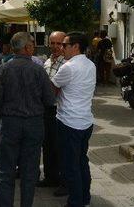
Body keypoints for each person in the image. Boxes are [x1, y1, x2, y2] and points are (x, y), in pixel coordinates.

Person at [0, 32, 56, 207]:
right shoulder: (38, 69)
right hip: (34, 123)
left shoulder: (4, 68)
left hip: (10, 123)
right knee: (30, 171)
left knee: (5, 172)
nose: (33, 47)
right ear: (26, 48)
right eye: (32, 44)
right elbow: (50, 99)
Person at [52, 32, 96, 207]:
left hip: (69, 122)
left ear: (75, 46)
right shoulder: (91, 65)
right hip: (85, 121)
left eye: (64, 45)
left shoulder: (68, 67)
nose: (61, 48)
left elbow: (52, 89)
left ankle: (76, 202)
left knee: (71, 166)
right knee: (81, 161)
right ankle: (85, 197)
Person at [38, 31, 67, 192]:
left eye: (59, 43)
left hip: (59, 109)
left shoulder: (67, 64)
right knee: (47, 145)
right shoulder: (47, 61)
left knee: (59, 147)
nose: (55, 47)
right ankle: (50, 177)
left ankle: (63, 181)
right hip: (46, 109)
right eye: (52, 43)